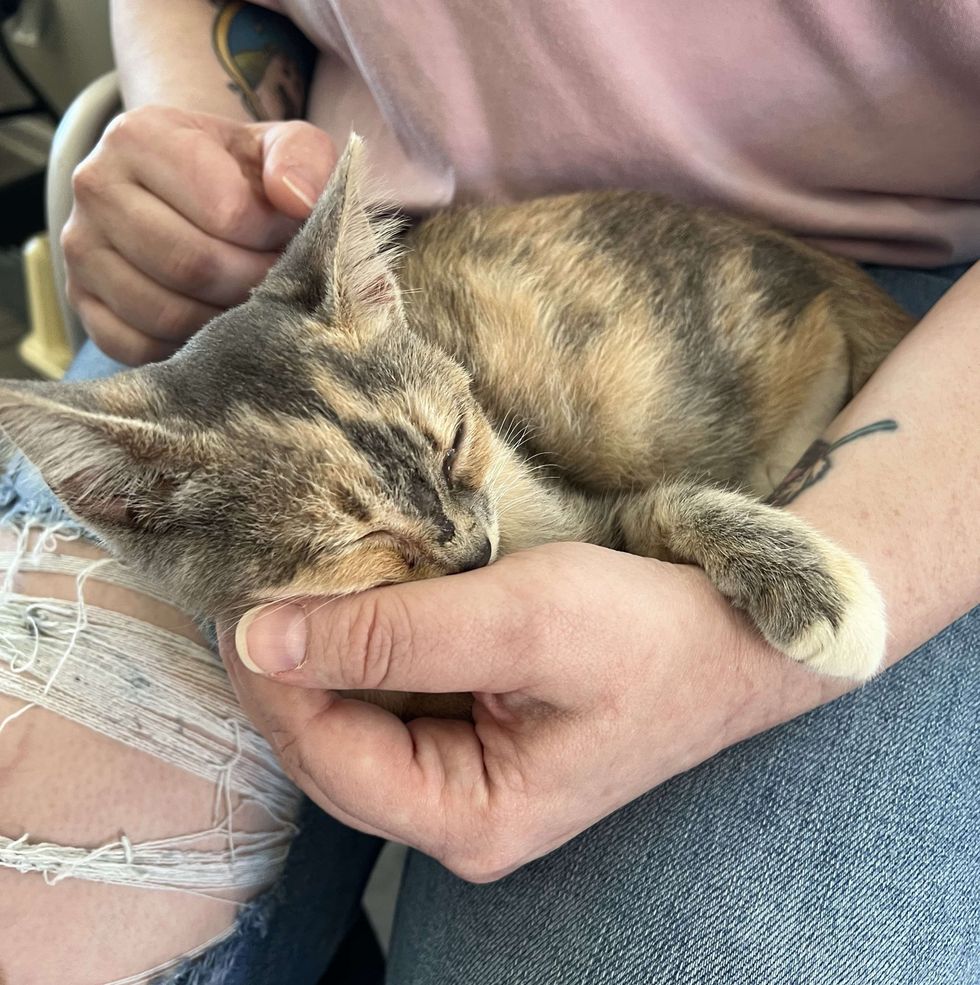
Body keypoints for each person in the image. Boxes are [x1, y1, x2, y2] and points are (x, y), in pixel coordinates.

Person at [1, 2, 977, 982]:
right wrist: (193, 161)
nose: (467, 539)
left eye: (462, 456)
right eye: (368, 539)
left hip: (896, 288)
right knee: (36, 906)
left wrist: (735, 666)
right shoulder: (200, 473)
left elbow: (608, 524)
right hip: (290, 275)